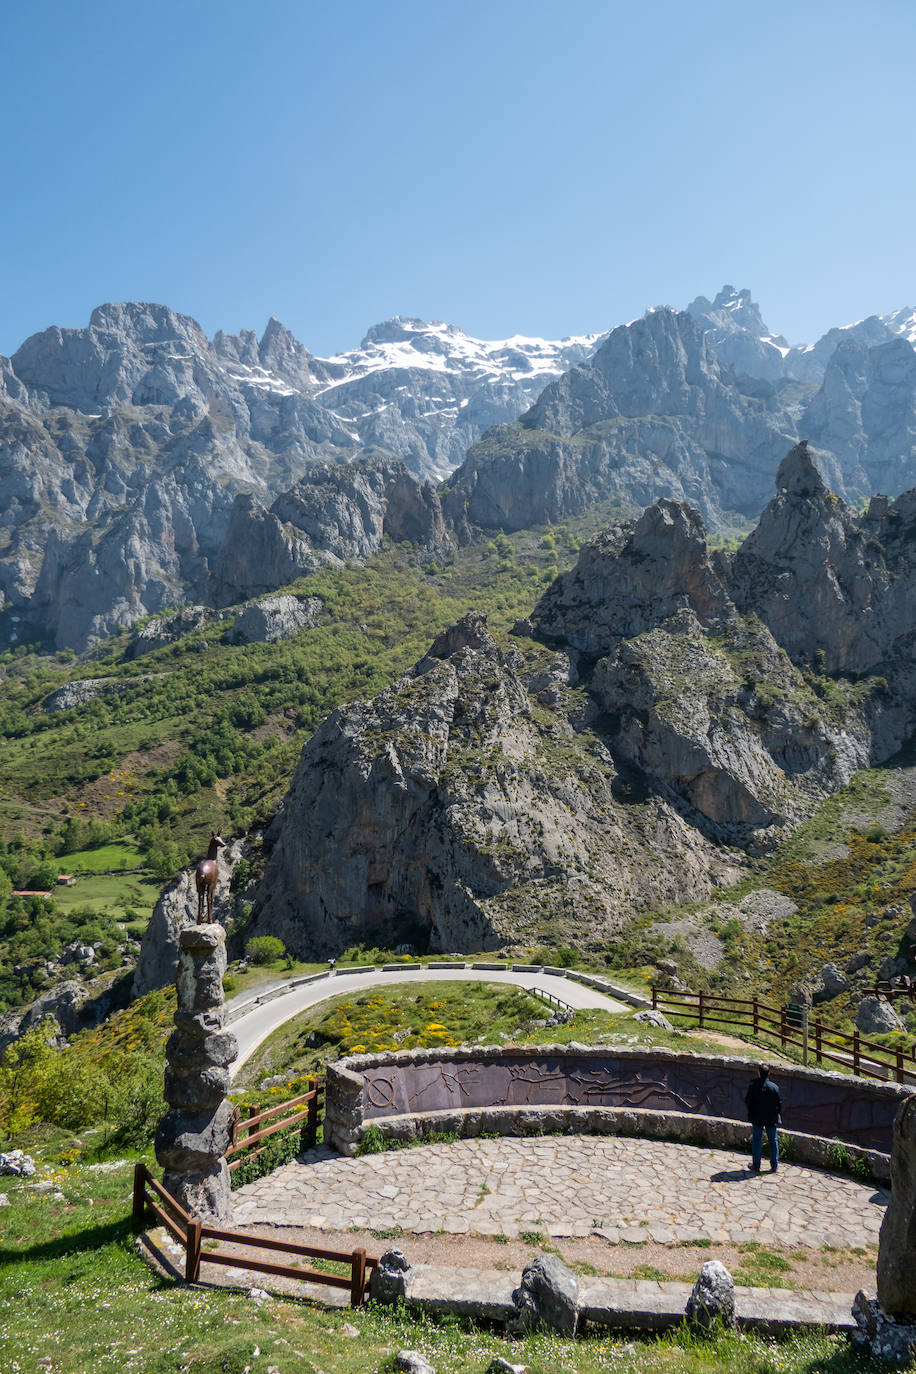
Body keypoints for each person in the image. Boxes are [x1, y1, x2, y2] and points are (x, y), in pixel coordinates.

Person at [745, 1064, 781, 1173]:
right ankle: (774, 1165)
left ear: (759, 1073)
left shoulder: (753, 1085)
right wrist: (776, 1114)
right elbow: (779, 1104)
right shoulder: (774, 1087)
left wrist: (751, 1112)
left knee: (757, 1140)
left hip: (757, 1117)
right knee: (773, 1141)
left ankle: (756, 1165)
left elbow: (748, 1101)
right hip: (771, 1118)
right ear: (769, 1073)